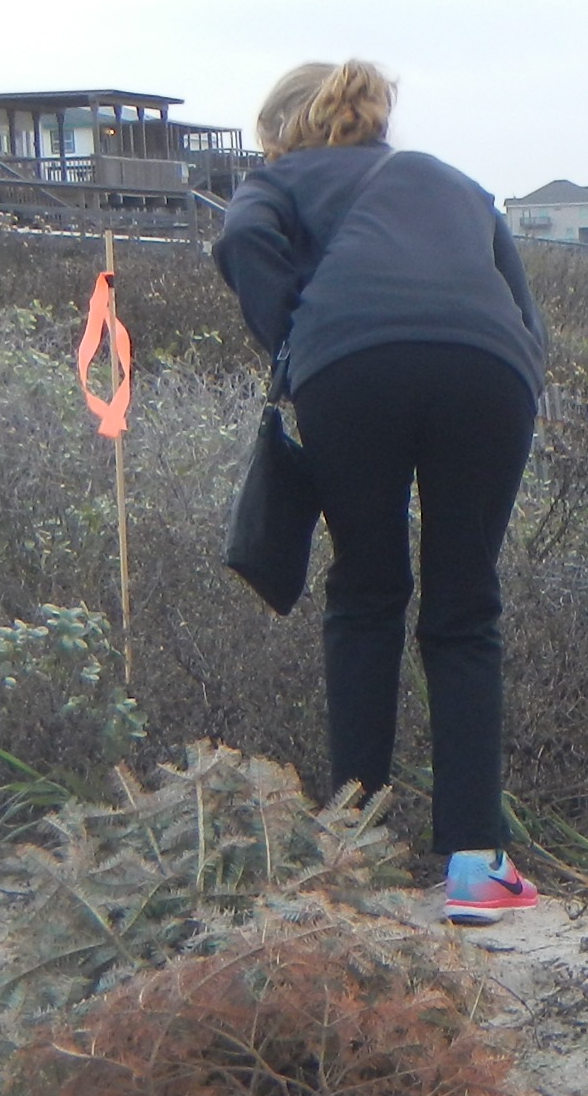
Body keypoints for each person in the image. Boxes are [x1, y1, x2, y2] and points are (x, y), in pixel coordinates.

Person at [212, 59, 549, 927]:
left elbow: (242, 243)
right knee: (465, 606)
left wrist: (294, 344)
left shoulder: (278, 180)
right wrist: (509, 375)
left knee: (366, 594)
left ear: (284, 129)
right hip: (489, 373)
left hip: (350, 372)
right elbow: (526, 316)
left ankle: (352, 848)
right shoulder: (456, 184)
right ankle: (477, 867)